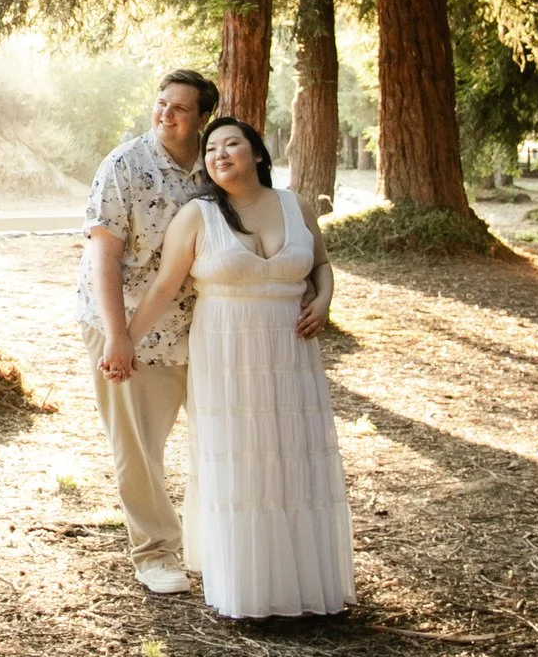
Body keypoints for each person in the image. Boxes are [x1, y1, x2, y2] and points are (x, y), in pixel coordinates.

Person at [121, 115, 355, 619]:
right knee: (241, 458)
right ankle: (247, 587)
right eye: (210, 149)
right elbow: (164, 288)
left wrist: (324, 300)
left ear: (258, 154)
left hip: (292, 354)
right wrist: (123, 343)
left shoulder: (295, 205)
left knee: (294, 457)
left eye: (231, 144)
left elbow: (320, 264)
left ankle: (301, 584)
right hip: (226, 354)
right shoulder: (198, 215)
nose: (219, 154)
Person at [78, 69, 216, 594]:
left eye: (179, 108)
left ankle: (214, 543)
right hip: (129, 324)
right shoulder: (125, 165)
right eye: (161, 103)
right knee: (139, 445)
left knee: (216, 438)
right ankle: (154, 552)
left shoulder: (214, 165)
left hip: (201, 328)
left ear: (202, 118)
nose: (165, 113)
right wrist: (118, 336)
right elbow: (104, 256)